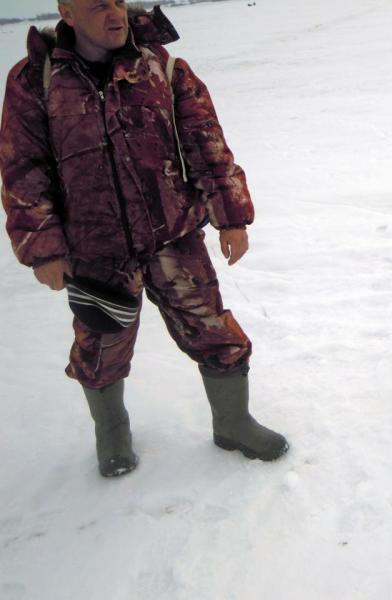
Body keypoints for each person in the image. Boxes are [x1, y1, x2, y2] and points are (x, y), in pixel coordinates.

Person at [0, 0, 288, 477]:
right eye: (97, 6)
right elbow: (21, 169)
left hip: (173, 237)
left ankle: (233, 423)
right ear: (67, 12)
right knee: (99, 351)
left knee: (218, 335)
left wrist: (231, 216)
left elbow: (208, 145)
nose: (114, 14)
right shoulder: (36, 80)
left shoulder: (163, 67)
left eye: (117, 1)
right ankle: (111, 433)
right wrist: (42, 247)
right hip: (95, 252)